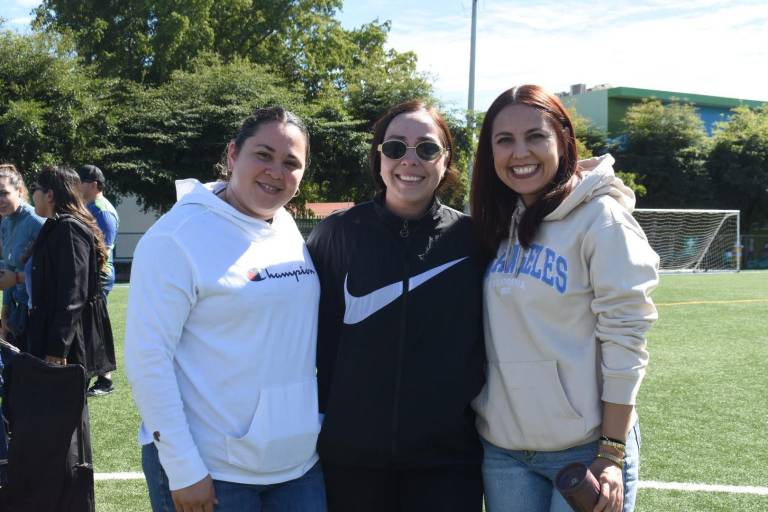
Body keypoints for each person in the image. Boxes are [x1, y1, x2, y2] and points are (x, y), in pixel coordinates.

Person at [124, 107, 326, 512]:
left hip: (297, 467)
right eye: (263, 155)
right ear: (233, 154)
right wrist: (183, 468)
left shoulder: (285, 225)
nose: (276, 172)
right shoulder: (176, 236)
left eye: (291, 163)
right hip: (213, 471)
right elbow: (148, 359)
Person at [470, 85, 659, 512]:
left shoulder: (602, 218)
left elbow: (626, 338)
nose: (520, 153)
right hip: (503, 451)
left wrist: (612, 451)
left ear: (563, 140)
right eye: (505, 140)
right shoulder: (495, 221)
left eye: (535, 136)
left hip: (586, 449)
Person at [307, 100, 486, 512]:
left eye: (427, 148)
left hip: (447, 466)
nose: (410, 160)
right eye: (395, 148)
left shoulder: (475, 241)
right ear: (379, 157)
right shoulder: (336, 235)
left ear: (445, 160)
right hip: (349, 463)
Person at [8, 165, 115, 510]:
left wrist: (58, 347)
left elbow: (73, 292)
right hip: (51, 338)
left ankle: (71, 500)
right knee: (52, 428)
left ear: (50, 194)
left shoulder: (69, 228)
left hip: (66, 347)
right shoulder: (57, 225)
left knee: (66, 430)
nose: (33, 197)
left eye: (36, 190)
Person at [77, 164, 120, 397]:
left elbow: (103, 249)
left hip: (99, 275)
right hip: (91, 273)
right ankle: (100, 377)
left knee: (95, 325)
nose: (76, 186)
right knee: (91, 325)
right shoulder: (90, 207)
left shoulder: (102, 211)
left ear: (94, 184)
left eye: (80, 181)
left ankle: (104, 379)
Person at [0, 163, 45, 350]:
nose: (0, 200)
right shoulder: (5, 223)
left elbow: (51, 270)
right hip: (18, 312)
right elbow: (9, 268)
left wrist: (17, 278)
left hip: (39, 311)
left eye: (4, 193)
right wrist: (5, 310)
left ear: (19, 191)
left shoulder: (37, 221)